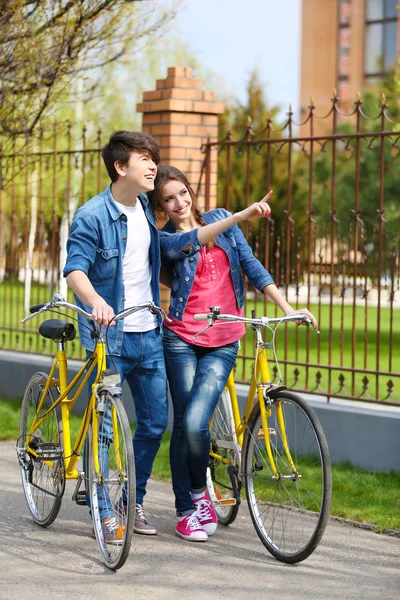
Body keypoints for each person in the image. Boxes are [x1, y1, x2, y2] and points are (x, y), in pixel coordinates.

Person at [149, 165, 317, 543]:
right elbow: (189, 241)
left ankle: (198, 493)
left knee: (195, 423)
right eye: (168, 199)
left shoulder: (222, 220)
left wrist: (288, 308)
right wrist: (241, 216)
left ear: (191, 192)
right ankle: (188, 506)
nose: (179, 203)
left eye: (182, 193)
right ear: (160, 206)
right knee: (185, 426)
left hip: (224, 339)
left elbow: (251, 268)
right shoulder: (164, 240)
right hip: (180, 338)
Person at [63, 131, 168, 541]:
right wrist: (95, 302)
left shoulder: (145, 207)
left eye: (153, 158)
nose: (152, 165)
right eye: (144, 158)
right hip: (110, 337)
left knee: (156, 422)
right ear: (120, 166)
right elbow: (75, 269)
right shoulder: (92, 215)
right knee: (104, 428)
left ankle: (130, 499)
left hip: (149, 335)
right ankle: (103, 509)